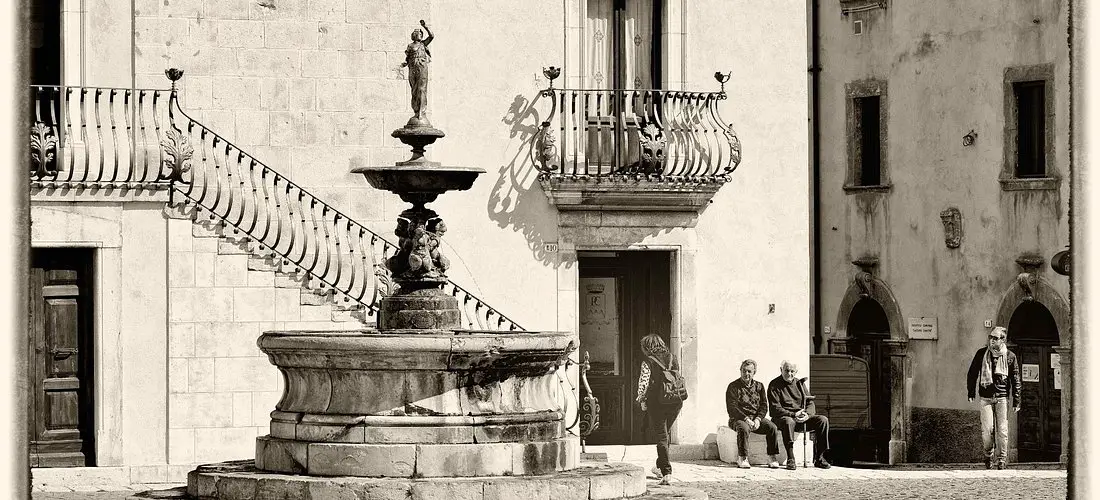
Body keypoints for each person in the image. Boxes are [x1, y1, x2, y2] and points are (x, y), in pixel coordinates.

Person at [966, 326, 1021, 470]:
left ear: (1002, 340)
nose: (992, 341)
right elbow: (972, 373)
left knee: (1002, 430)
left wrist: (1017, 400)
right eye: (991, 337)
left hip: (1002, 398)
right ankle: (988, 455)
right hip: (985, 398)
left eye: (996, 338)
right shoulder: (981, 354)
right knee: (987, 430)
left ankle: (1002, 459)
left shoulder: (1010, 356)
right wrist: (971, 392)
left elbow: (1015, 379)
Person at [635, 334, 682, 485]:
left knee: (661, 437)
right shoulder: (672, 358)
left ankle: (666, 473)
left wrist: (641, 400)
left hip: (657, 403)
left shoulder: (648, 361)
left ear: (647, 347)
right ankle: (659, 466)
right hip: (675, 402)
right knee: (665, 435)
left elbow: (643, 382)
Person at [767, 360, 831, 470]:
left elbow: (810, 402)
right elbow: (775, 408)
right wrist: (792, 414)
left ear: (796, 372)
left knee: (823, 420)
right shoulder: (774, 385)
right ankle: (791, 458)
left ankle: (819, 457)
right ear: (781, 370)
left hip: (801, 418)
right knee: (788, 421)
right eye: (786, 370)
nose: (789, 374)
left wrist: (807, 415)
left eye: (792, 371)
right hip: (783, 419)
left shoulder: (800, 384)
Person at [725, 359, 781, 469]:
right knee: (743, 428)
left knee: (772, 427)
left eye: (749, 371)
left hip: (755, 419)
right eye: (744, 371)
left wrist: (758, 419)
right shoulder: (733, 386)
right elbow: (732, 408)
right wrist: (746, 419)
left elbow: (764, 405)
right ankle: (742, 457)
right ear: (740, 371)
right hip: (738, 419)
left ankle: (772, 456)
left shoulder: (759, 386)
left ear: (754, 372)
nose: (746, 374)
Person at [401, 20, 434, 124]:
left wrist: (425, 26)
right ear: (413, 36)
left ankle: (421, 112)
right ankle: (416, 111)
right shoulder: (410, 46)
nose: (418, 35)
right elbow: (408, 57)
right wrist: (405, 64)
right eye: (416, 33)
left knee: (421, 89)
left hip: (422, 67)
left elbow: (432, 36)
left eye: (420, 33)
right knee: (414, 90)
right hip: (412, 68)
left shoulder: (423, 44)